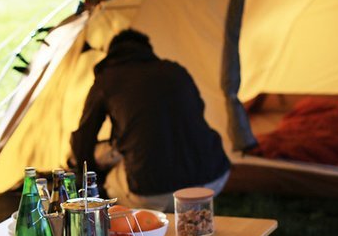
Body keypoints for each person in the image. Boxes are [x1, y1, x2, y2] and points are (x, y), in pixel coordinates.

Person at [70, 29, 230, 211]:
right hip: (212, 179)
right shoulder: (175, 70)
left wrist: (93, 179)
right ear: (147, 50)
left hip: (151, 194)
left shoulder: (107, 79)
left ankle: (121, 215)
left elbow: (83, 138)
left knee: (109, 176)